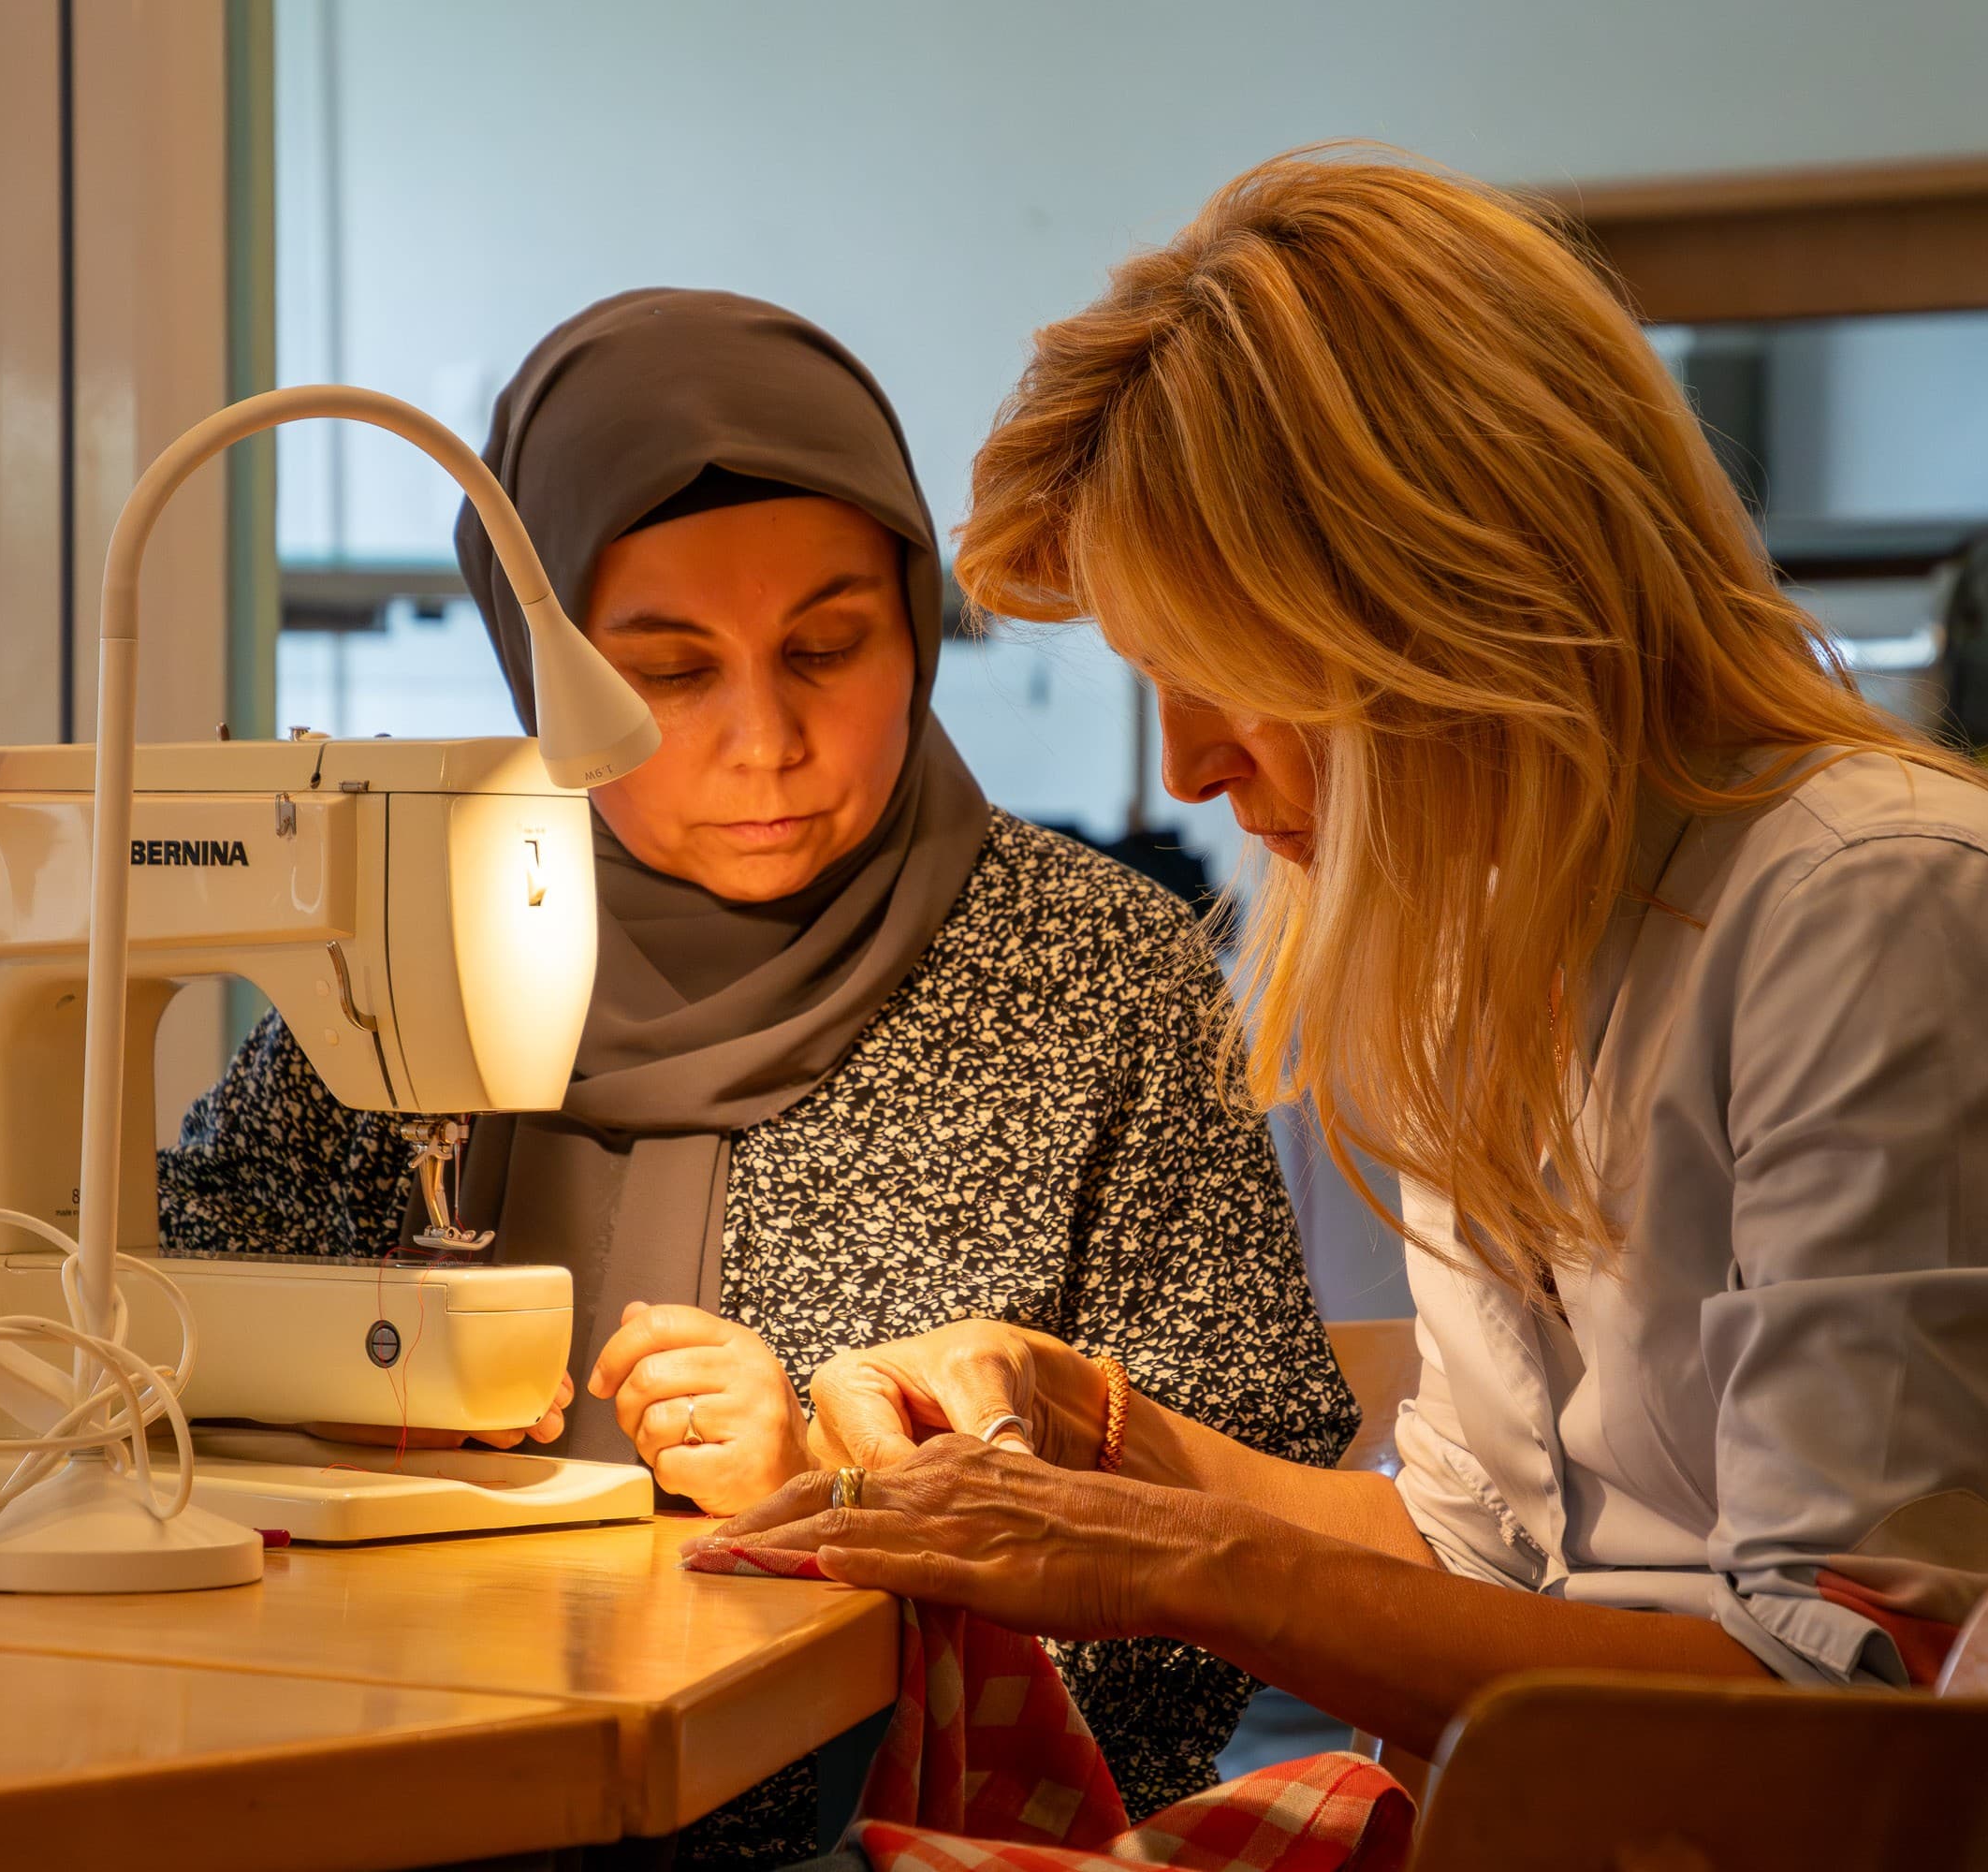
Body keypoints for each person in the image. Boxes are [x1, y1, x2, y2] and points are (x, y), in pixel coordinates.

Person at [701, 155, 1988, 1872]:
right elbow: (1479, 1552)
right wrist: (1105, 1437)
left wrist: (1167, 1562)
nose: (1182, 765)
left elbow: (1835, 1728)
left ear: (1442, 599)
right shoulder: (1489, 931)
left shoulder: (1886, 916)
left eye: (1220, 670)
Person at [157, 288, 1359, 1851]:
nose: (766, 738)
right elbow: (160, 1378)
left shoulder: (1097, 981)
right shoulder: (413, 949)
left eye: (828, 647)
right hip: (398, 1803)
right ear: (547, 669)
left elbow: (1228, 1594)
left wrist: (838, 1513)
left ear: (916, 623)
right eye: (667, 671)